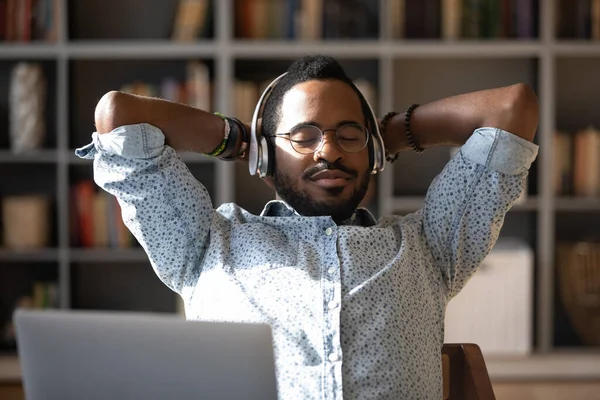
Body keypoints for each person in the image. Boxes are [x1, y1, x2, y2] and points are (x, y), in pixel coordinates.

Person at [76, 55, 539, 399]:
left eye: (348, 134)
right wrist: (241, 141)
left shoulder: (429, 246)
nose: (329, 151)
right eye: (304, 136)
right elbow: (118, 115)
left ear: (372, 154)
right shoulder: (206, 245)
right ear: (266, 155)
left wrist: (387, 135)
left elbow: (512, 109)